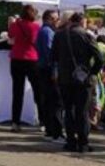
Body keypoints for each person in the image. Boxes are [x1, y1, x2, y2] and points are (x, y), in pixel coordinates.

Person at [52, 12, 105, 153]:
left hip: (65, 78)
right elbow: (100, 59)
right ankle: (83, 142)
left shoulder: (59, 35)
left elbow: (53, 56)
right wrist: (91, 73)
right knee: (82, 111)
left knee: (68, 110)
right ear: (82, 22)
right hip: (83, 79)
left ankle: (70, 141)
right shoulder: (87, 36)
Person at [8, 4, 41, 132]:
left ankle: (15, 122)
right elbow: (35, 40)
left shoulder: (15, 25)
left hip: (16, 59)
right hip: (31, 59)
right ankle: (43, 121)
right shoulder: (36, 27)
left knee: (17, 92)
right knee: (37, 91)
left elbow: (10, 36)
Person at [37, 9, 63, 142]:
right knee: (55, 101)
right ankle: (56, 132)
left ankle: (50, 129)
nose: (57, 21)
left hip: (44, 68)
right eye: (55, 19)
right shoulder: (47, 32)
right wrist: (55, 71)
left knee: (49, 101)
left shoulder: (44, 31)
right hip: (48, 70)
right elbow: (50, 53)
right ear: (49, 19)